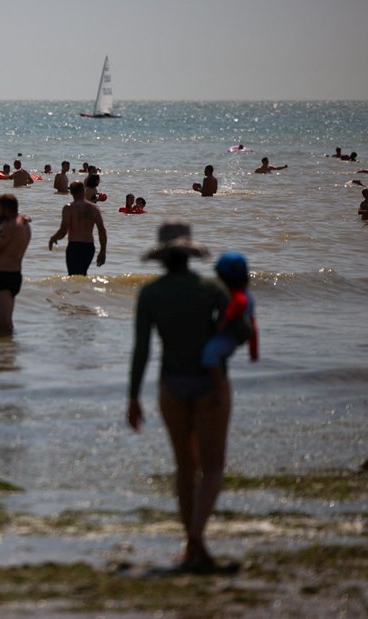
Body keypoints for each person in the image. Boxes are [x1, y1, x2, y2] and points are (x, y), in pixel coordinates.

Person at [128, 220, 230, 572]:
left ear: (161, 257)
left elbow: (141, 350)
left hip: (171, 385)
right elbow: (240, 330)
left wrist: (132, 398)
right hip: (211, 385)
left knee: (185, 468)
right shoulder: (212, 289)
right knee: (213, 466)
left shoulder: (151, 294)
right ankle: (196, 539)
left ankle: (192, 545)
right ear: (189, 253)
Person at [202, 253, 258, 421]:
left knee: (209, 354)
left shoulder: (239, 295)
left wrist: (225, 320)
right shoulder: (244, 292)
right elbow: (253, 324)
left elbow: (239, 305)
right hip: (237, 334)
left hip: (231, 335)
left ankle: (217, 389)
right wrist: (253, 351)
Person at [0, 194, 31, 336]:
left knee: (2, 324)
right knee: (6, 322)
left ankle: (4, 355)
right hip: (13, 275)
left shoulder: (9, 227)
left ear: (6, 209)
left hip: (3, 277)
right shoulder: (23, 224)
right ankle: (8, 351)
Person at [48, 180, 107, 276]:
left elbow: (63, 230)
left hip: (75, 247)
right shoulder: (94, 208)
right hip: (89, 247)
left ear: (71, 192)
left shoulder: (69, 208)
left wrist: (53, 238)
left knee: (74, 277)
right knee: (82, 275)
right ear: (83, 191)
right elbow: (102, 230)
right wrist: (103, 251)